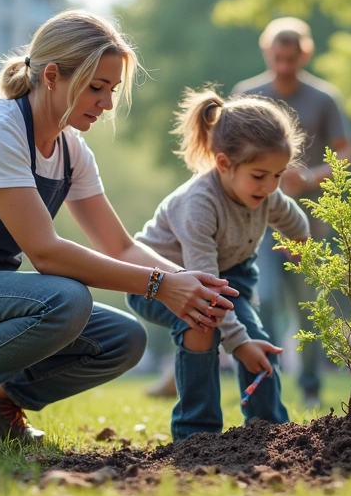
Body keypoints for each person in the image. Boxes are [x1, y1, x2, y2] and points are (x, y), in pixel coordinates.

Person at [0, 10, 237, 452]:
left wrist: (195, 285)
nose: (106, 104)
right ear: (51, 76)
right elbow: (45, 253)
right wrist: (160, 285)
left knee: (122, 338)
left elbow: (121, 247)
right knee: (66, 299)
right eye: (96, 88)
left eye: (111, 90)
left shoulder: (71, 151)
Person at [127, 90, 309, 440]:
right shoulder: (199, 204)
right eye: (260, 175)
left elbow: (294, 220)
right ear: (224, 164)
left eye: (278, 175)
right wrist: (237, 344)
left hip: (227, 278)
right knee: (202, 325)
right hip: (156, 282)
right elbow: (204, 290)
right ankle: (197, 433)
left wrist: (300, 245)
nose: (270, 186)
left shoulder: (266, 193)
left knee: (258, 342)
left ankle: (269, 428)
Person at [230, 17, 351, 409]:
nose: (284, 66)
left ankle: (310, 387)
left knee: (309, 308)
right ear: (267, 53)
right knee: (264, 299)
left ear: (305, 55)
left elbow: (347, 153)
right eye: (278, 58)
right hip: (257, 222)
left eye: (291, 58)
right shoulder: (247, 95)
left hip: (309, 223)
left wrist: (311, 177)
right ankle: (267, 385)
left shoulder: (323, 98)